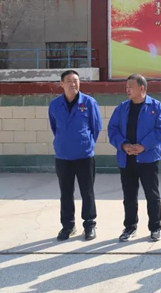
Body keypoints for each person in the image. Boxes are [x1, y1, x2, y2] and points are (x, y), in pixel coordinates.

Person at [108, 74, 161, 242]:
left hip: (148, 158)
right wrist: (123, 145)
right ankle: (130, 227)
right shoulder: (122, 108)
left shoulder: (155, 106)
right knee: (129, 195)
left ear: (142, 88)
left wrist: (143, 146)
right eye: (126, 87)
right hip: (126, 158)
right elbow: (112, 129)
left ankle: (155, 227)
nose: (127, 90)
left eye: (131, 87)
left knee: (152, 194)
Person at [49, 70, 102, 241]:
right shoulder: (55, 105)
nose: (73, 84)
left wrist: (87, 143)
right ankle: (68, 226)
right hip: (63, 156)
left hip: (84, 155)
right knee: (65, 193)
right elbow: (54, 127)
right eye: (69, 81)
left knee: (87, 192)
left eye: (76, 80)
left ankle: (89, 224)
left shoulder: (89, 102)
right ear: (62, 84)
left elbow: (96, 127)